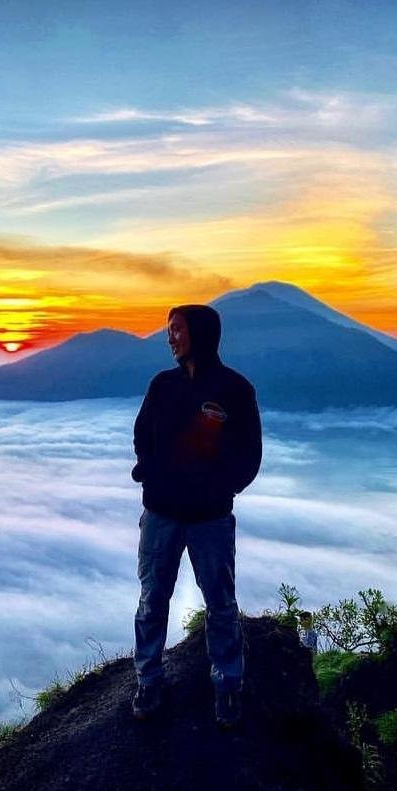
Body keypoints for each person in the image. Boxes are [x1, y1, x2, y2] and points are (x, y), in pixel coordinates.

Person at [130, 304, 262, 728]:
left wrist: (222, 488)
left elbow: (249, 454)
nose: (170, 338)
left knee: (220, 604)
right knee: (152, 601)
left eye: (177, 330)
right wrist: (150, 474)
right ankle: (148, 679)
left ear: (200, 334)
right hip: (161, 514)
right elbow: (141, 434)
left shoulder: (235, 390)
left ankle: (228, 685)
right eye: (169, 330)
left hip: (211, 518)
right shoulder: (162, 386)